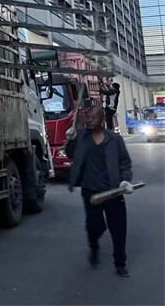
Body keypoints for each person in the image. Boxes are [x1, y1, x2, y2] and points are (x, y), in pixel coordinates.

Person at [65, 104, 134, 277]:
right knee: (94, 226)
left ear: (103, 120)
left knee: (118, 229)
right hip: (91, 191)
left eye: (93, 118)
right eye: (87, 117)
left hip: (113, 191)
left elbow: (124, 162)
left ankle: (120, 263)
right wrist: (70, 139)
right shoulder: (80, 136)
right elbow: (69, 154)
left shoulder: (114, 139)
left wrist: (125, 180)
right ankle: (94, 246)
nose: (89, 120)